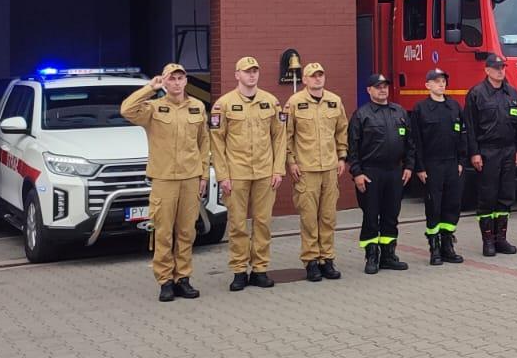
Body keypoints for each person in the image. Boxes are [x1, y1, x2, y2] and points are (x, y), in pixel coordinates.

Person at [119, 64, 210, 302]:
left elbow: (204, 142)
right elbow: (126, 109)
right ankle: (165, 281)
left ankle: (183, 278)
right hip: (164, 179)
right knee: (163, 232)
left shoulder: (197, 107)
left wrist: (204, 175)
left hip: (190, 178)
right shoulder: (153, 108)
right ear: (165, 82)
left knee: (187, 231)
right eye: (172, 79)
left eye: (180, 78)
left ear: (186, 81)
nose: (177, 83)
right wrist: (150, 87)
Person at [209, 56, 286, 292]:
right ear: (237, 75)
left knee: (263, 223)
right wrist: (222, 175)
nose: (252, 75)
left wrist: (278, 169)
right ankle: (239, 271)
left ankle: (260, 270)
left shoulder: (271, 102)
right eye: (247, 71)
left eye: (255, 71)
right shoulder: (223, 105)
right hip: (236, 174)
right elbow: (216, 143)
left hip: (264, 173)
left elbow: (280, 138)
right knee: (238, 225)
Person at [285, 62, 348, 282]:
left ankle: (327, 259)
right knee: (309, 218)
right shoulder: (294, 103)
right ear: (304, 80)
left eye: (320, 75)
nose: (317, 79)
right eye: (313, 76)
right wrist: (291, 162)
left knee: (328, 217)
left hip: (330, 168)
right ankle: (311, 260)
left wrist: (342, 156)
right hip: (306, 169)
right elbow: (287, 135)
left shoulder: (334, 101)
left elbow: (341, 131)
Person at [348, 74, 413, 274]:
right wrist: (357, 173)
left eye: (385, 86)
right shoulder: (361, 115)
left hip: (394, 172)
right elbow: (352, 148)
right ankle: (371, 256)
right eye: (378, 87)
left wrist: (409, 166)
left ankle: (388, 255)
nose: (383, 90)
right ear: (369, 90)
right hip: (370, 173)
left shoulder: (399, 112)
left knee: (391, 215)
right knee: (371, 215)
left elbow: (410, 143)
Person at [464, 55, 517, 256]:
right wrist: (474, 153)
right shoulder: (477, 94)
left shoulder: (512, 93)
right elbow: (470, 127)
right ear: (487, 70)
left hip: (508, 150)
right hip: (487, 151)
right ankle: (488, 241)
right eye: (496, 68)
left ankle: (501, 239)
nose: (500, 71)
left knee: (506, 196)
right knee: (488, 196)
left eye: (502, 68)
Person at [410, 67, 468, 265]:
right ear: (427, 85)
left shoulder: (454, 106)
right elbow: (415, 141)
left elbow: (462, 135)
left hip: (452, 164)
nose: (441, 84)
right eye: (436, 81)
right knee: (434, 206)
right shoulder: (420, 109)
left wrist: (461, 161)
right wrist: (420, 167)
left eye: (443, 81)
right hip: (432, 164)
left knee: (452, 205)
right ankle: (434, 247)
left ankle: (447, 246)